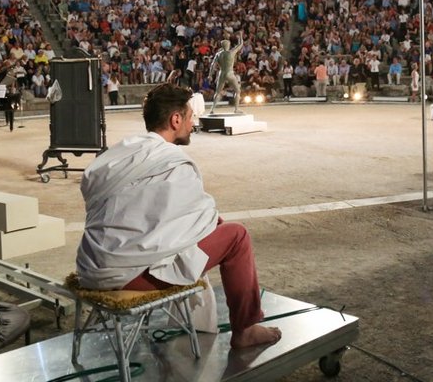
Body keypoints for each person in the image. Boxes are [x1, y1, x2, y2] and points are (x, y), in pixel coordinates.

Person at [76, 84, 281, 349]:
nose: (193, 123)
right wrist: (210, 220)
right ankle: (245, 329)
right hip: (128, 275)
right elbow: (199, 222)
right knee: (236, 235)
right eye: (190, 117)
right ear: (176, 119)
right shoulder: (172, 161)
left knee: (208, 225)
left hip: (91, 267)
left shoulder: (120, 152)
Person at [209, 34, 243, 114]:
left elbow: (212, 65)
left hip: (222, 73)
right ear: (228, 45)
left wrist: (210, 75)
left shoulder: (218, 54)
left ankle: (212, 109)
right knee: (237, 91)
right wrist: (240, 35)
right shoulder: (231, 52)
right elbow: (240, 44)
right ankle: (236, 109)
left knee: (218, 92)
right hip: (230, 73)